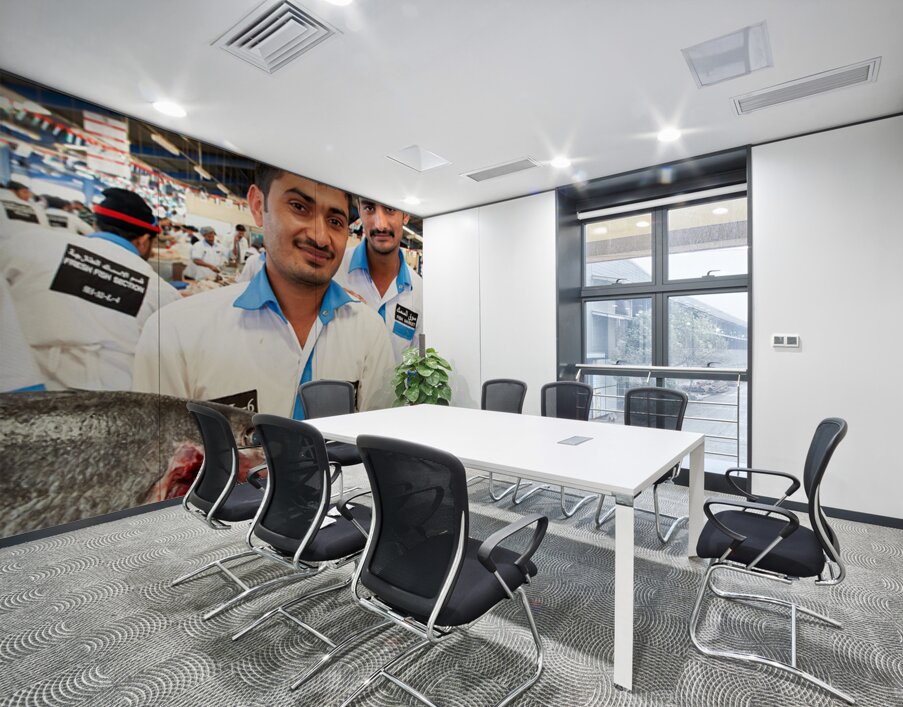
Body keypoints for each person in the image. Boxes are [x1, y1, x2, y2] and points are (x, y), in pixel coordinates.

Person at [132, 165, 395, 417]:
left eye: (335, 221)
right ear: (259, 205)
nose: (320, 237)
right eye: (299, 207)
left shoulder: (368, 330)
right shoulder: (174, 333)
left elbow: (375, 441)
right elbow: (161, 459)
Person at [0, 187, 181, 390]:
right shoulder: (162, 292)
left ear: (95, 224)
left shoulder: (27, 245)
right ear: (143, 240)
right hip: (116, 403)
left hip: (22, 396)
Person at [333, 198, 423, 362]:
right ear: (359, 209)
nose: (380, 225)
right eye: (369, 208)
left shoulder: (420, 292)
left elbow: (421, 357)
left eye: (390, 209)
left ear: (406, 214)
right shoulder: (334, 273)